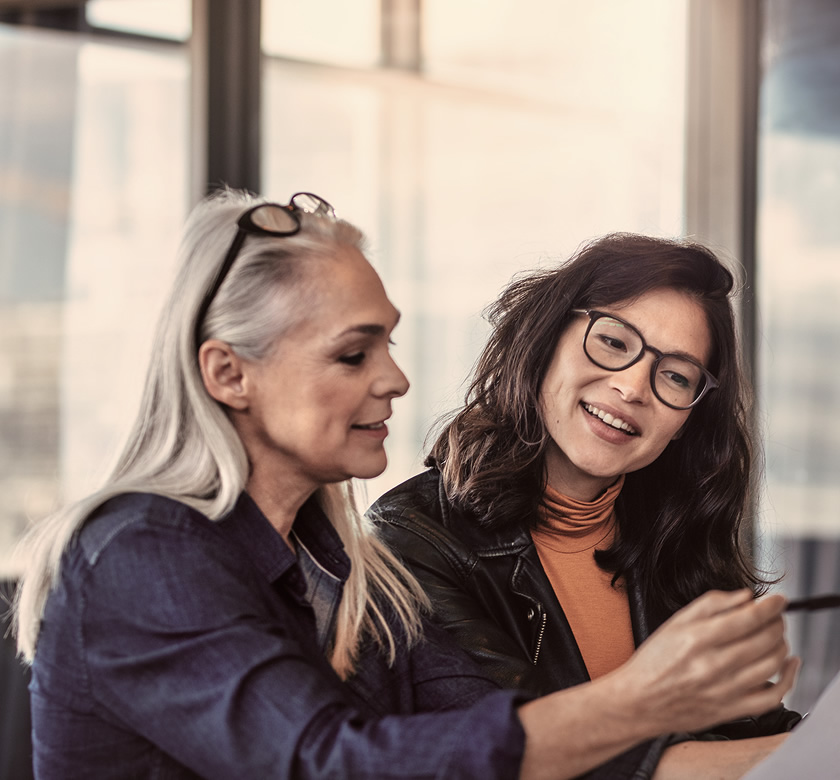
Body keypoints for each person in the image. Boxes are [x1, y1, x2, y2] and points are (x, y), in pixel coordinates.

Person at [13, 197, 795, 780]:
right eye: (355, 355)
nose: (396, 379)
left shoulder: (345, 568)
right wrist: (645, 700)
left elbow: (481, 733)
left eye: (387, 343)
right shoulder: (141, 553)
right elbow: (331, 764)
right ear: (229, 374)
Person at [370, 232, 803, 778]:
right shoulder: (411, 539)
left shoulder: (675, 533)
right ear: (547, 338)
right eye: (615, 343)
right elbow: (521, 758)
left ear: (687, 421)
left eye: (675, 376)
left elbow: (752, 724)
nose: (631, 388)